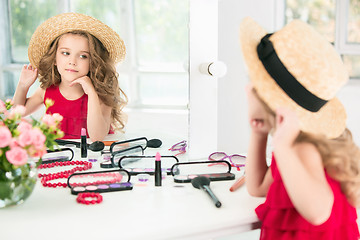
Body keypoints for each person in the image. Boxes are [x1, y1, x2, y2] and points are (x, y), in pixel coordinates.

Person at [240, 17, 360, 239]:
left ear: (270, 100)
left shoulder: (302, 148)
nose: (248, 88)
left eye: (254, 82)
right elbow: (257, 187)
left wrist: (283, 147)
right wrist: (259, 134)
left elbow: (318, 213)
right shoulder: (294, 143)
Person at [13, 12, 127, 141]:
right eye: (66, 53)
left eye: (83, 56)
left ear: (93, 62)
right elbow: (16, 114)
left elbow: (97, 137)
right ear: (54, 58)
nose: (72, 61)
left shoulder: (102, 95)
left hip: (92, 157)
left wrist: (91, 93)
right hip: (62, 156)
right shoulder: (47, 91)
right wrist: (23, 86)